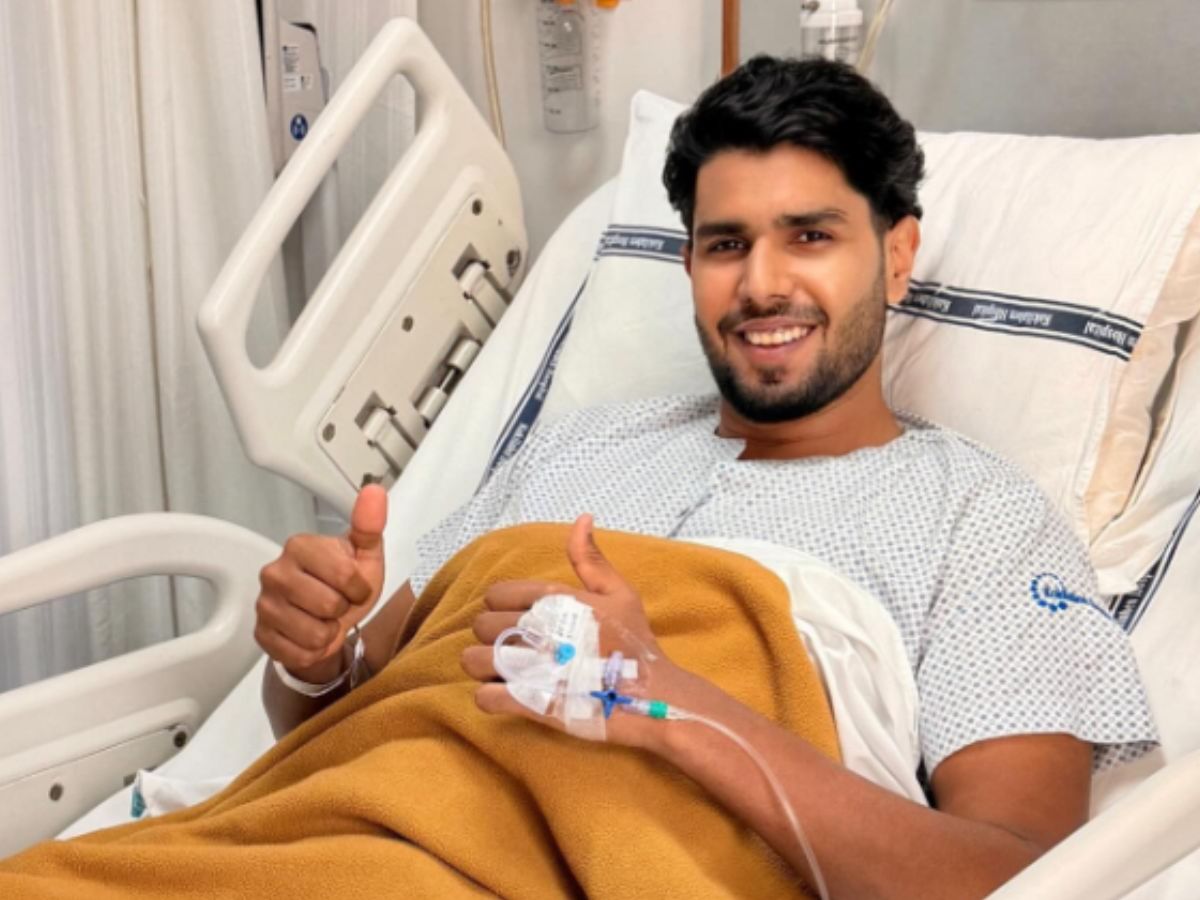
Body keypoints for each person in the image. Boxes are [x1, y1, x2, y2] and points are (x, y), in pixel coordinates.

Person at [253, 56, 1156, 897]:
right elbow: (353, 722)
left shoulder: (980, 518)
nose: (761, 285)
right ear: (689, 264)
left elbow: (1020, 876)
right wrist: (314, 660)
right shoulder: (578, 451)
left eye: (810, 236)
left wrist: (674, 703)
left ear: (895, 255)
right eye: (726, 245)